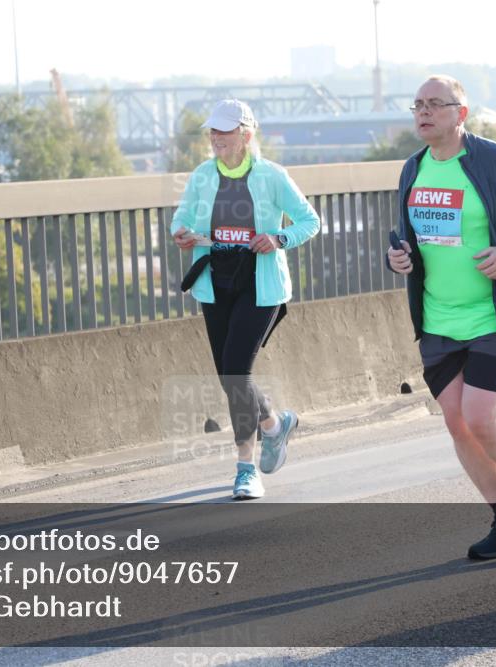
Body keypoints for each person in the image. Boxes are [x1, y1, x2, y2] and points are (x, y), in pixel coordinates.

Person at [387, 76, 496, 557]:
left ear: (460, 113)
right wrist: (398, 258)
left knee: (482, 418)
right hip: (437, 319)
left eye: (435, 104)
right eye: (417, 104)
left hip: (494, 314)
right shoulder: (413, 168)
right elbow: (407, 238)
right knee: (457, 424)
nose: (423, 112)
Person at [171, 99, 320, 500]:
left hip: (262, 285)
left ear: (246, 136)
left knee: (236, 369)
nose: (215, 137)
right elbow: (181, 217)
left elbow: (310, 221)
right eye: (213, 131)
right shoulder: (203, 176)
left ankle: (245, 468)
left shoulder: (272, 176)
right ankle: (273, 423)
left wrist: (279, 238)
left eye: (224, 131)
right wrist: (182, 232)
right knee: (229, 376)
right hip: (215, 283)